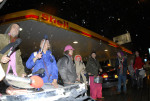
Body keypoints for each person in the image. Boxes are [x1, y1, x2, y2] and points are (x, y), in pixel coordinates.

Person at [0, 23, 26, 95]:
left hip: (13, 76)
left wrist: (22, 73)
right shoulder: (1, 38)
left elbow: (19, 62)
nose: (16, 29)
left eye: (18, 29)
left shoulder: (16, 44)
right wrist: (1, 58)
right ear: (9, 29)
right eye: (14, 27)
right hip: (2, 75)